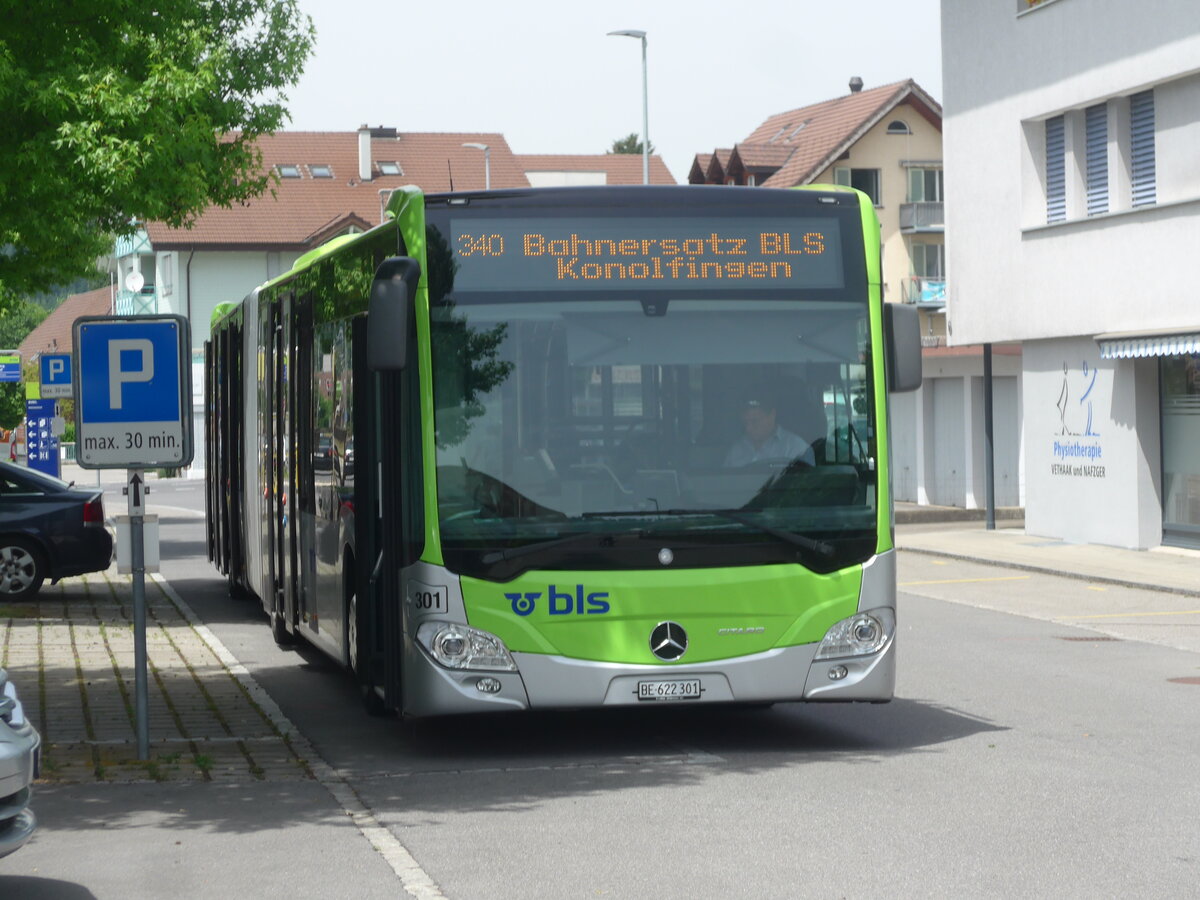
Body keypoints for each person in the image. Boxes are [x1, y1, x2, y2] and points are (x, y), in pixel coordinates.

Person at [724, 388, 814, 468]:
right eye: (745, 422)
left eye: (755, 421)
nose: (748, 428)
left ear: (772, 415)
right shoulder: (736, 450)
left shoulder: (796, 449)